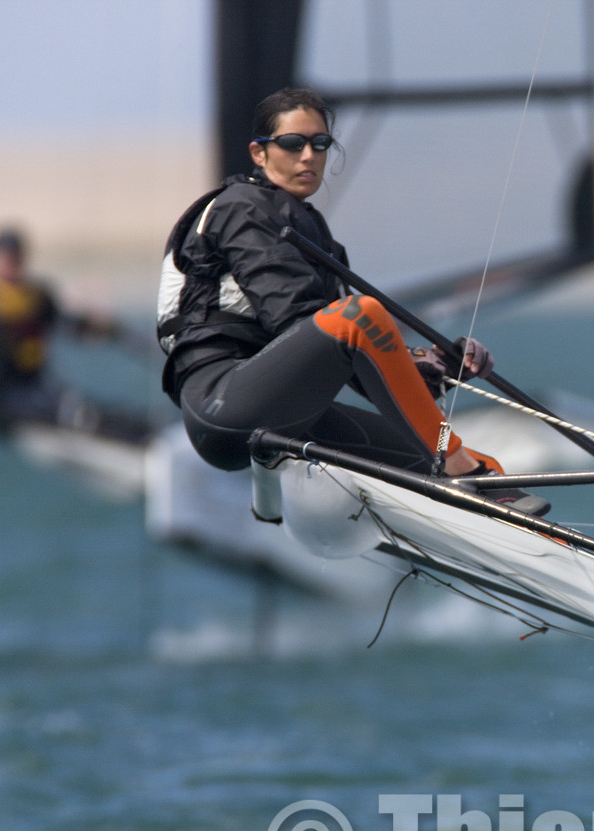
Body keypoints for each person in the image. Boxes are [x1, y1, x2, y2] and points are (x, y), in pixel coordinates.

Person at [156, 86, 547, 516]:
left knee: (486, 471)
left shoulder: (311, 229)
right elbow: (305, 322)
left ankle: (542, 549)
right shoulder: (241, 206)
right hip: (224, 406)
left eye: (320, 144)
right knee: (362, 318)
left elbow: (352, 363)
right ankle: (455, 465)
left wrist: (435, 366)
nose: (308, 156)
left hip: (289, 410)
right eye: (292, 143)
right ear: (259, 153)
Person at [0, 227, 150, 443]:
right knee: (73, 413)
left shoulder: (36, 295)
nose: (10, 264)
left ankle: (145, 433)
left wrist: (100, 326)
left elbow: (67, 324)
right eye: (4, 257)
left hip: (35, 383)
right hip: (0, 395)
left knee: (85, 410)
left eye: (15, 258)